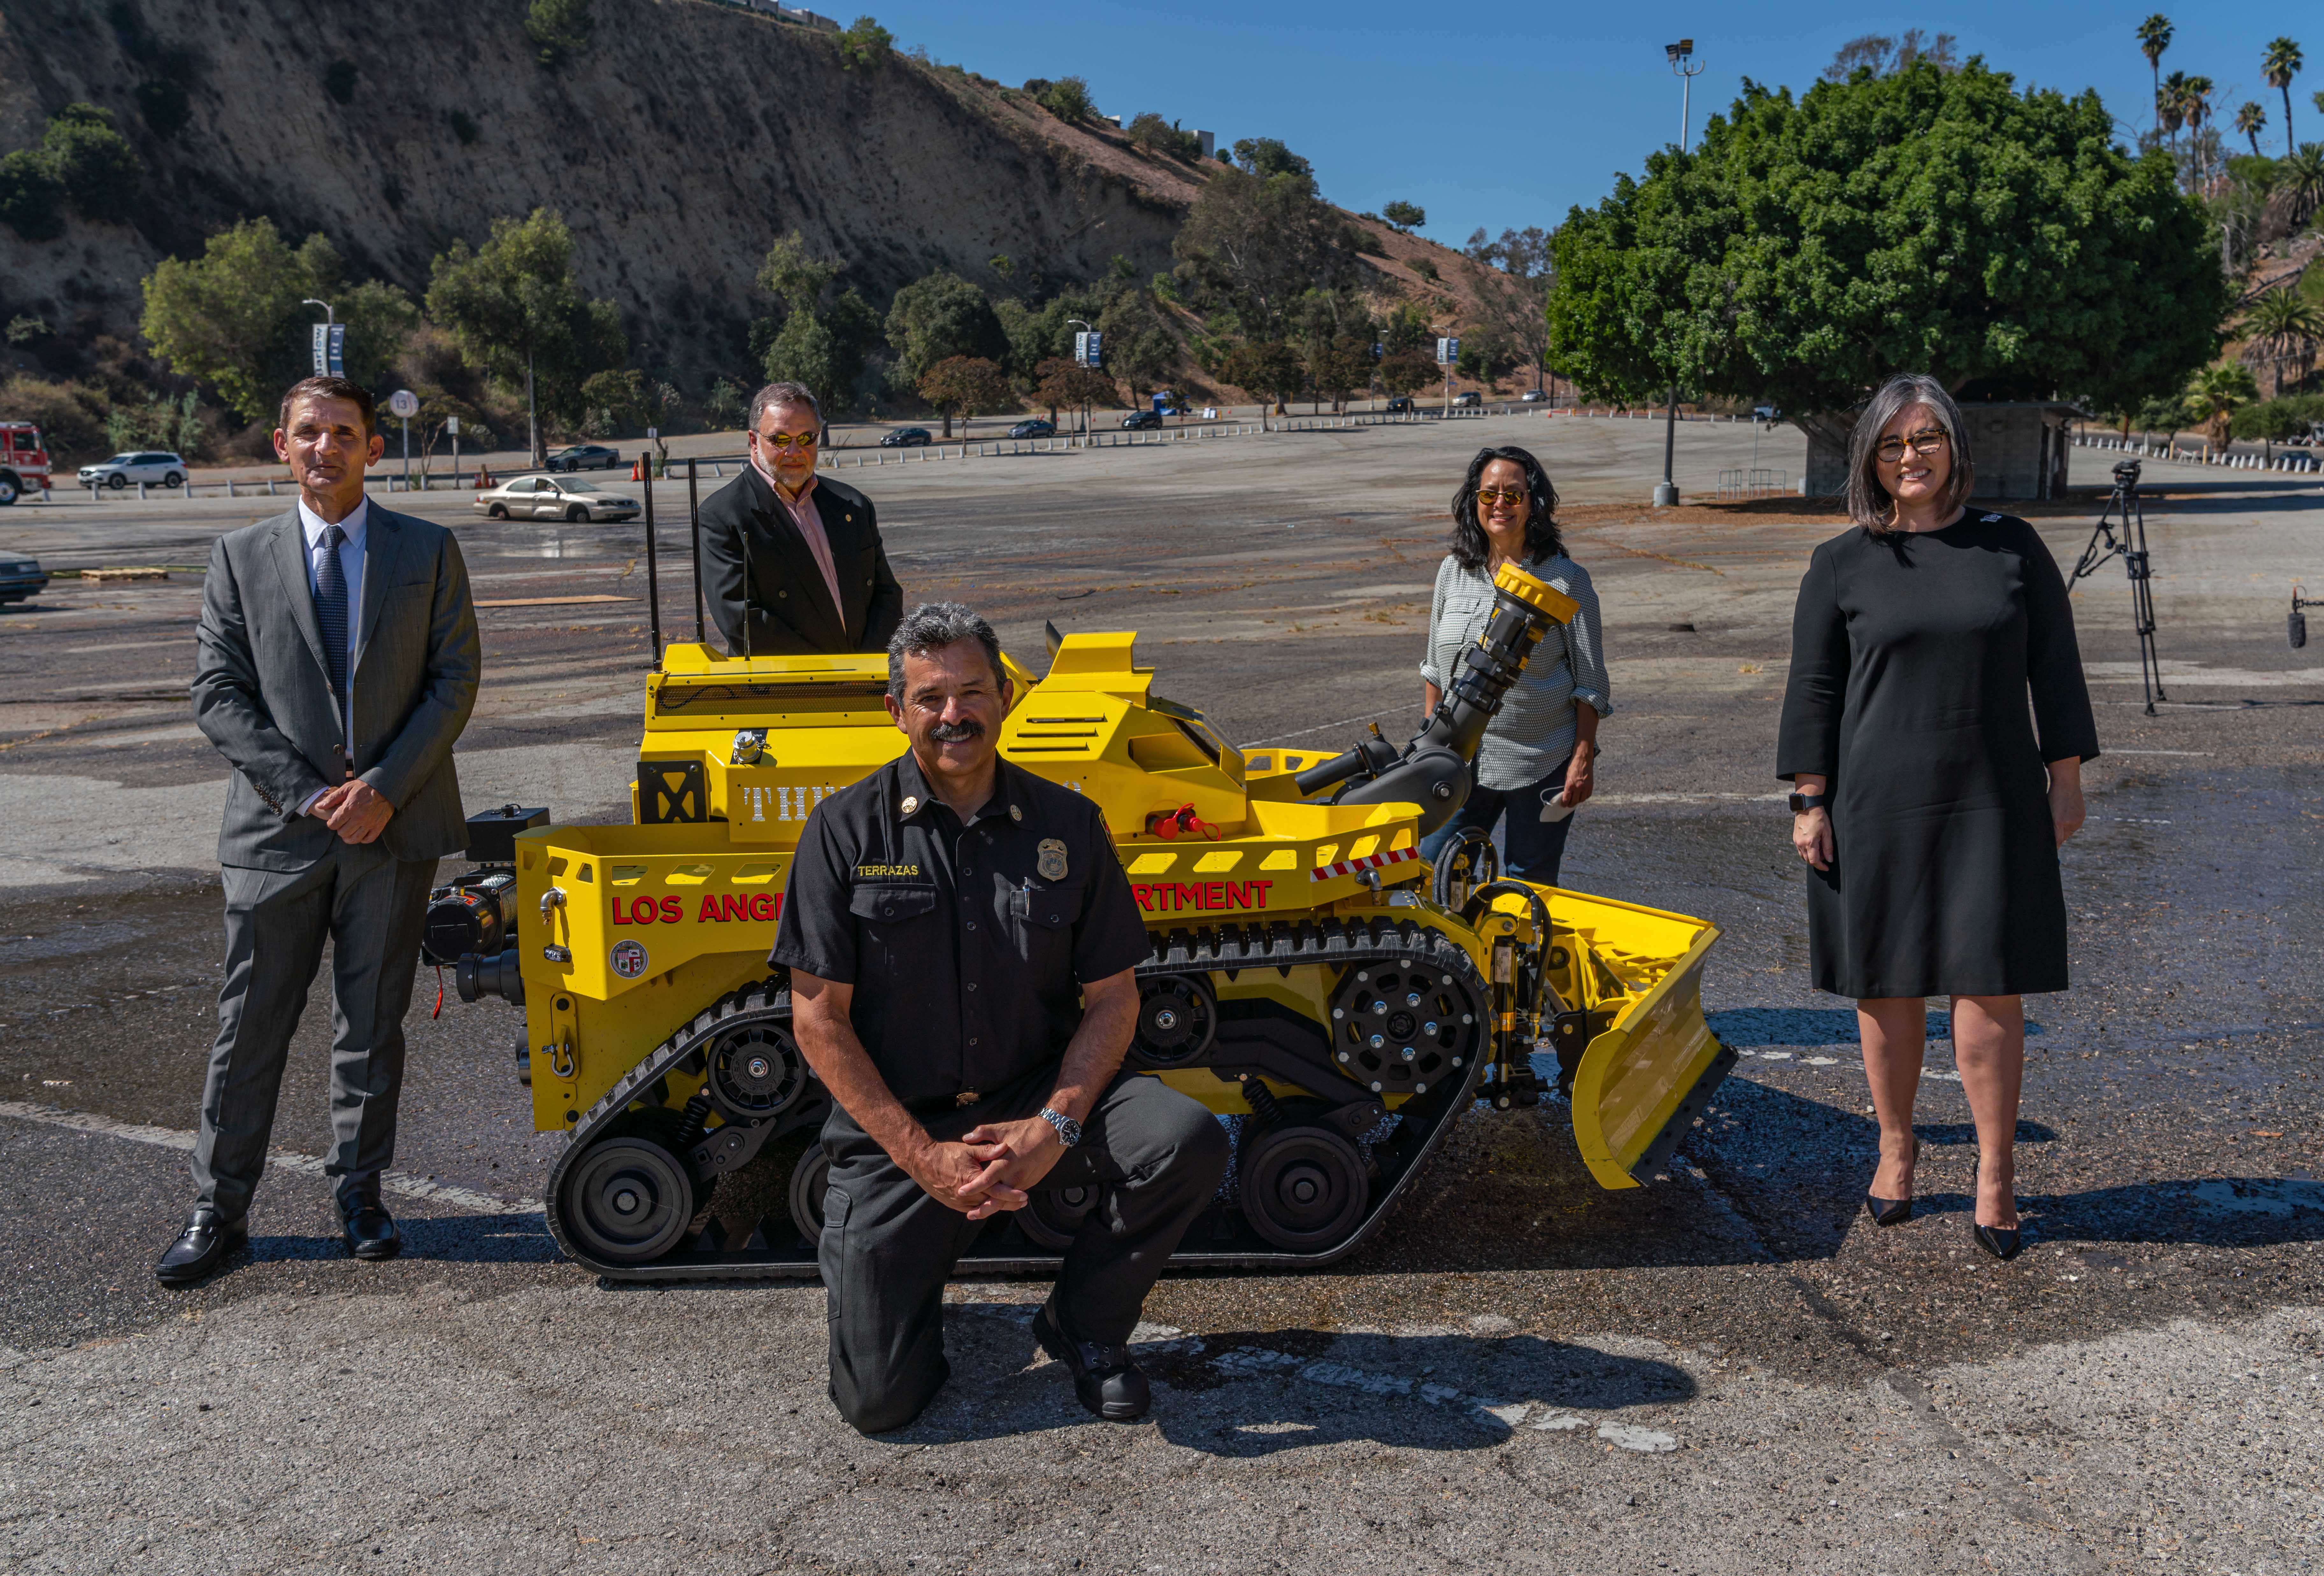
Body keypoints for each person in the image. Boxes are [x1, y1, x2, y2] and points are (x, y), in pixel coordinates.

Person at [771, 603, 1229, 1433]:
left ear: (1004, 696)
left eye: (973, 690)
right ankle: (906, 1295)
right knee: (878, 1404)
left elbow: (1116, 995)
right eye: (932, 697)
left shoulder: (1068, 825)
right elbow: (817, 1018)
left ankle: (1084, 1325)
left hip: (1035, 1095)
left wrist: (1054, 1122)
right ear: (897, 710)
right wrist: (924, 1158)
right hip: (903, 1130)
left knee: (1185, 1136)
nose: (955, 713)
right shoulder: (843, 830)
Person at [160, 376, 482, 1284]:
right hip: (277, 835)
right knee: (248, 1028)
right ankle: (218, 1212)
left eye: (344, 432)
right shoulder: (239, 556)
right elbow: (218, 693)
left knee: (372, 1027)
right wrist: (308, 795)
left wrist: (383, 786)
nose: (325, 448)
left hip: (392, 832)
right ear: (279, 444)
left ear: (374, 448)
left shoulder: (428, 549)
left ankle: (360, 1195)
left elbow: (455, 679)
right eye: (309, 432)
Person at [1777, 372, 2097, 1262]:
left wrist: (2064, 777)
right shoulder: (1840, 561)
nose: (1909, 456)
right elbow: (1814, 688)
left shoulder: (2012, 546)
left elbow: (2055, 668)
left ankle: (1996, 1173)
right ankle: (1897, 1149)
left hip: (1991, 795)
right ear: (1871, 459)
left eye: (1924, 439)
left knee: (1990, 979)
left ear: (1954, 446)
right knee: (1887, 980)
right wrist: (1809, 798)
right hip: (1875, 799)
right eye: (1891, 444)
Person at [1415, 446, 1611, 886]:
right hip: (1459, 760)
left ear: (1533, 503)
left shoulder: (1566, 580)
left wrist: (1582, 758)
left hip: (1542, 760)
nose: (1500, 504)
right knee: (1435, 871)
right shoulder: (1452, 572)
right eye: (1488, 495)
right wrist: (1429, 745)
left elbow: (1591, 683)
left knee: (1529, 882)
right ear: (1474, 502)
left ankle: (1521, 955)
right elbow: (1433, 668)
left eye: (1513, 495)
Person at [698, 381, 902, 656]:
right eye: (780, 440)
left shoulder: (853, 505)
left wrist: (865, 665)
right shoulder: (723, 516)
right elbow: (742, 621)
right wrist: (830, 673)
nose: (794, 452)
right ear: (753, 441)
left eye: (806, 438)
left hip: (866, 683)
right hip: (788, 691)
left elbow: (886, 594)